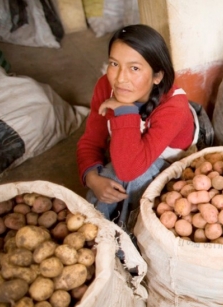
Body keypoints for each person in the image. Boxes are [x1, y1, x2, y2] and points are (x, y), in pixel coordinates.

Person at [77, 24, 198, 225]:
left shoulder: (174, 107)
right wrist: (92, 178)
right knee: (106, 181)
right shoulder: (105, 86)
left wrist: (125, 109)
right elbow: (90, 140)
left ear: (157, 76)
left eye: (134, 68)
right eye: (114, 64)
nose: (120, 78)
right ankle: (94, 233)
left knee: (125, 179)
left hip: (168, 167)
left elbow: (130, 170)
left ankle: (125, 236)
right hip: (128, 156)